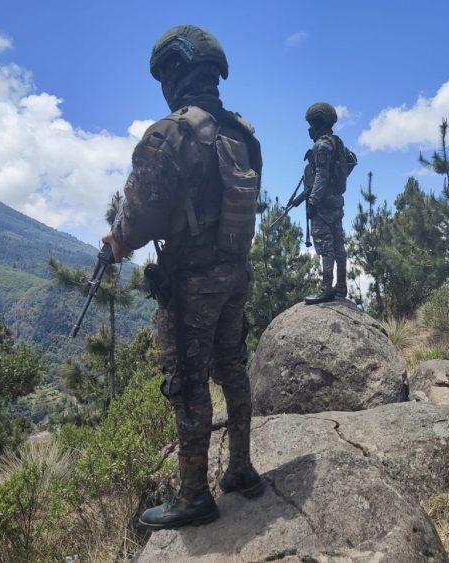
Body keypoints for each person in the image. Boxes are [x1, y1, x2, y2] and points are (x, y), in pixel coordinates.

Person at [101, 24, 264, 529]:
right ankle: (241, 469)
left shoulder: (169, 133)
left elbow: (141, 216)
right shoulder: (242, 132)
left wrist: (117, 240)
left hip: (193, 280)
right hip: (235, 271)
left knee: (188, 381)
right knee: (232, 367)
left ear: (174, 72)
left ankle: (194, 496)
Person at [297, 103, 356, 304]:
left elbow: (321, 175)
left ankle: (326, 288)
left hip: (322, 205)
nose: (309, 129)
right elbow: (350, 162)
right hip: (336, 204)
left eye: (311, 124)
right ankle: (341, 286)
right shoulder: (338, 143)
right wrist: (335, 185)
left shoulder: (321, 145)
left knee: (325, 246)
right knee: (338, 244)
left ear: (319, 122)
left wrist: (313, 201)